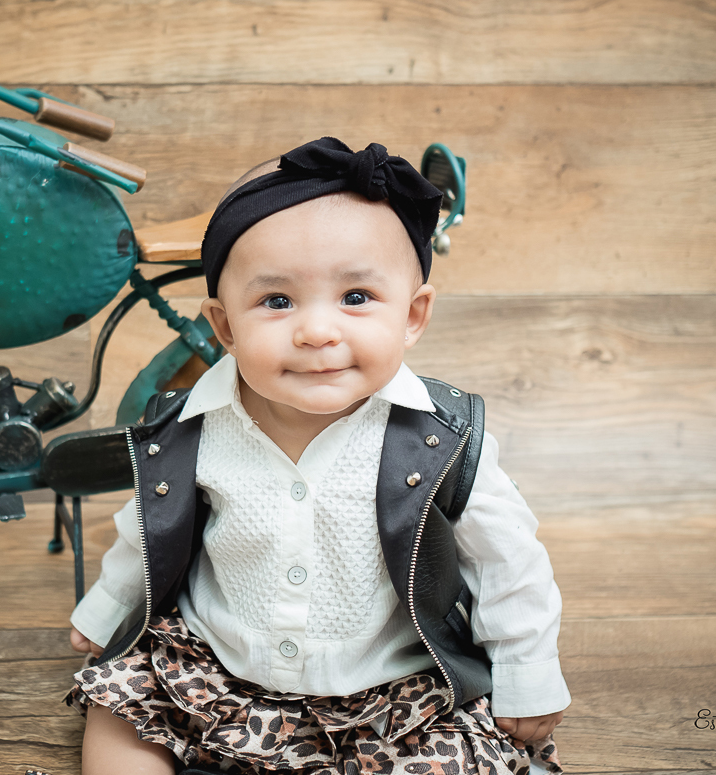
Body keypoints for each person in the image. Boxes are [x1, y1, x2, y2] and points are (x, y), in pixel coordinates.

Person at [66, 137, 570, 774]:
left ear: (413, 316)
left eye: (356, 297)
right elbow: (143, 528)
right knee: (119, 714)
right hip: (214, 662)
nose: (317, 331)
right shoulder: (195, 426)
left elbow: (510, 563)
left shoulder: (441, 438)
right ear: (224, 327)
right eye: (277, 302)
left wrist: (528, 676)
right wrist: (108, 609)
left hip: (389, 687)